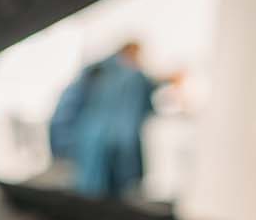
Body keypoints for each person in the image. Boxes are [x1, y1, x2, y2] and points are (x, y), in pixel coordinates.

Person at [47, 40, 170, 199]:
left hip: (104, 147)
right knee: (99, 193)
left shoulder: (110, 73)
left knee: (99, 193)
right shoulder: (106, 73)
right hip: (102, 146)